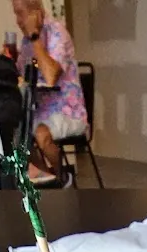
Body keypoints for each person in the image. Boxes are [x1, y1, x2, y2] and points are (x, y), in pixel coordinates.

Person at [11, 0, 87, 184]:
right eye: (16, 14)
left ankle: (64, 177)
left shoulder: (56, 32)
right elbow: (21, 75)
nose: (18, 21)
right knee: (15, 136)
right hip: (41, 110)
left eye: (21, 13)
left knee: (40, 133)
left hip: (68, 110)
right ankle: (52, 181)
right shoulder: (26, 41)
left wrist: (36, 38)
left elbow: (51, 76)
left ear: (37, 12)